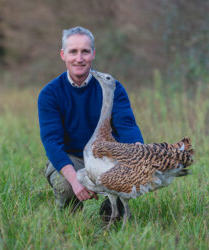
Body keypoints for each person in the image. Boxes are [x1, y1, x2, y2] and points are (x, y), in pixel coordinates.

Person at [38, 26, 144, 214]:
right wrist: (74, 180)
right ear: (63, 55)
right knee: (67, 187)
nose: (79, 58)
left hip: (106, 158)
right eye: (73, 52)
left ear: (93, 54)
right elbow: (52, 142)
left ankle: (111, 220)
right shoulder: (49, 94)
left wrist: (137, 159)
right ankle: (70, 224)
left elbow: (126, 126)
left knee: (125, 180)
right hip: (71, 158)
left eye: (85, 51)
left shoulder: (113, 87)